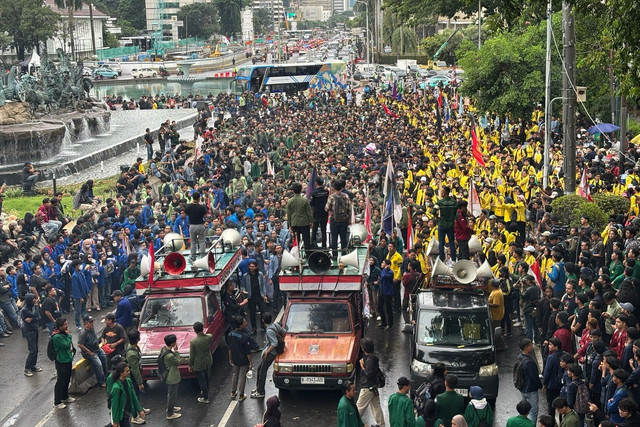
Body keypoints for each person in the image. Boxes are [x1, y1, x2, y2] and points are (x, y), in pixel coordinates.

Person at [252, 312, 285, 399]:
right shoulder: (275, 325)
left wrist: (267, 352)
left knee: (263, 371)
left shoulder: (269, 331)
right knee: (259, 369)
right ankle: (257, 388)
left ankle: (261, 391)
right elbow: (284, 331)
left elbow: (274, 343)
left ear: (263, 320)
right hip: (271, 353)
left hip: (270, 354)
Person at [356, 337, 385, 427]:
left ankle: (351, 423)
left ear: (363, 348)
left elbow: (368, 374)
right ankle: (381, 425)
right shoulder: (373, 359)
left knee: (358, 408)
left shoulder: (368, 360)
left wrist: (362, 366)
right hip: (374, 386)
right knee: (376, 406)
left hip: (367, 388)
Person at [228, 316, 255, 402]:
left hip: (235, 358)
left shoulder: (230, 334)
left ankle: (233, 392)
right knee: (242, 377)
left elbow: (229, 348)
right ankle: (241, 395)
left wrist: (230, 358)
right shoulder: (244, 337)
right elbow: (247, 352)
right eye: (244, 322)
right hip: (243, 360)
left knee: (235, 374)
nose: (246, 323)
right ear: (240, 325)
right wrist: (250, 363)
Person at [52, 317, 76, 409]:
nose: (67, 326)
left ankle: (65, 396)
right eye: (65, 325)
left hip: (67, 360)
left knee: (67, 379)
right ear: (60, 326)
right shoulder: (57, 337)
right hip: (61, 361)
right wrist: (69, 335)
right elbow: (66, 345)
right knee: (61, 381)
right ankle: (57, 401)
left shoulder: (63, 334)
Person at [77, 316, 107, 387]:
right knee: (98, 365)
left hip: (97, 349)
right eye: (90, 322)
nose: (92, 323)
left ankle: (106, 376)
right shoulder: (83, 333)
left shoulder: (91, 329)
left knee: (104, 358)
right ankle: (101, 381)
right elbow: (80, 344)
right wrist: (89, 352)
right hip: (89, 352)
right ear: (86, 323)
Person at [517, 339, 542, 423]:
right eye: (530, 345)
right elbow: (534, 377)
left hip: (522, 387)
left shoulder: (520, 357)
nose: (532, 347)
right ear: (526, 347)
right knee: (533, 411)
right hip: (531, 389)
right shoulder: (529, 362)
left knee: (524, 410)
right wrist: (541, 385)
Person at [326, 179, 352, 259]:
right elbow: (349, 208)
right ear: (341, 188)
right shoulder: (345, 196)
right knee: (343, 239)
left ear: (334, 188)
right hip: (344, 221)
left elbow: (326, 208)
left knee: (334, 239)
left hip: (334, 220)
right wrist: (349, 219)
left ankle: (335, 255)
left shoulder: (331, 197)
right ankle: (344, 255)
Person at [189, 321, 213, 403]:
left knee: (201, 380)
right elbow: (209, 335)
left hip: (199, 363)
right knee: (206, 378)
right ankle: (206, 391)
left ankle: (205, 397)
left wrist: (190, 365)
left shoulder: (193, 342)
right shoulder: (209, 337)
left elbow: (192, 355)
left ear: (194, 330)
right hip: (207, 361)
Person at [241, 261, 268, 334]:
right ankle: (254, 328)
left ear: (256, 267)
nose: (252, 268)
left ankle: (263, 325)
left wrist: (264, 295)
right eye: (250, 266)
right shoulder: (245, 276)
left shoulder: (260, 275)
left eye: (253, 266)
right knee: (252, 314)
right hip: (251, 297)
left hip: (259, 296)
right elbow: (242, 286)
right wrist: (244, 291)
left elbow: (263, 286)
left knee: (263, 311)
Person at [286, 182, 313, 250]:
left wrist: (290, 224)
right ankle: (307, 254)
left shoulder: (289, 201)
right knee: (306, 240)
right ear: (301, 190)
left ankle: (296, 255)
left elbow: (289, 214)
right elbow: (309, 212)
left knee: (296, 241)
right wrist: (311, 221)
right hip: (304, 223)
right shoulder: (305, 200)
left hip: (294, 223)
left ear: (293, 190)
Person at [160, 333, 182, 420]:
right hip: (172, 377)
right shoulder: (170, 356)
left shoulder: (163, 349)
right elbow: (178, 361)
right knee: (172, 394)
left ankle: (171, 406)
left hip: (168, 374)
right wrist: (176, 351)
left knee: (171, 393)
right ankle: (170, 413)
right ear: (172, 344)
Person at [21, 293, 42, 376]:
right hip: (30, 331)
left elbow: (38, 317)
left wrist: (32, 318)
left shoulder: (31, 307)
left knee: (36, 349)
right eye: (33, 298)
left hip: (35, 329)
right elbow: (36, 315)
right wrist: (37, 307)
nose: (35, 300)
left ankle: (33, 365)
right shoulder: (25, 309)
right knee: (32, 350)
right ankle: (27, 368)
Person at [435, 186, 458, 262]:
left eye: (442, 191)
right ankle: (454, 258)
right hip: (451, 225)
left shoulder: (440, 202)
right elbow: (457, 213)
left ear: (444, 193)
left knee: (441, 242)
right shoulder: (454, 202)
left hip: (442, 224)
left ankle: (441, 259)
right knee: (452, 242)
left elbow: (433, 211)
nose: (441, 193)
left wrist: (437, 217)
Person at [185, 192, 207, 262]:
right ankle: (203, 257)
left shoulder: (188, 206)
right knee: (202, 242)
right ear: (199, 198)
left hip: (192, 226)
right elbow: (205, 216)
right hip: (200, 225)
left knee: (193, 242)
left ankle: (193, 257)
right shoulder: (201, 207)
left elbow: (186, 213)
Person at [310, 177, 329, 248]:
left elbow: (312, 203)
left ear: (316, 183)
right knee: (324, 230)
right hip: (324, 213)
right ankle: (324, 245)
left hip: (316, 213)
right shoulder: (326, 192)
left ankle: (313, 244)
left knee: (315, 229)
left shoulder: (314, 193)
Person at [378, 259, 394, 330]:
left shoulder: (390, 272)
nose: (382, 263)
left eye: (383, 263)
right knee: (379, 307)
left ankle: (390, 324)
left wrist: (385, 269)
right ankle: (383, 322)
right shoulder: (384, 271)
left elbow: (383, 276)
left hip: (387, 293)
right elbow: (381, 279)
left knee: (388, 309)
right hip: (382, 292)